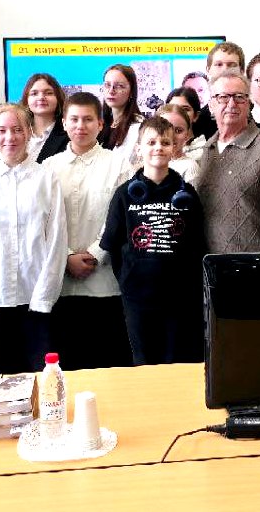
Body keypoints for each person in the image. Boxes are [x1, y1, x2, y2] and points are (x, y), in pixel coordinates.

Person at [0, 103, 68, 374]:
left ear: (29, 132)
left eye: (17, 130)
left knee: (40, 381)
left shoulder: (46, 178)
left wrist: (44, 297)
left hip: (35, 301)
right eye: (2, 130)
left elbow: (57, 240)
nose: (10, 137)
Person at [101, 115, 206, 364]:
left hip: (178, 297)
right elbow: (113, 244)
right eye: (151, 142)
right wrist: (128, 277)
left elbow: (196, 245)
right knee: (143, 361)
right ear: (139, 148)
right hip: (137, 296)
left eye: (165, 142)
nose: (158, 147)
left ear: (174, 147)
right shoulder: (124, 194)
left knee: (176, 360)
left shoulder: (187, 193)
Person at [43, 93, 132, 369]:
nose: (80, 126)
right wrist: (67, 257)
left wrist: (95, 254)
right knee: (68, 367)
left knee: (107, 365)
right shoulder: (49, 167)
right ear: (64, 123)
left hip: (105, 284)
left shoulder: (119, 164)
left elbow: (121, 218)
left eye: (88, 119)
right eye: (74, 119)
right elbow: (43, 222)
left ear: (100, 124)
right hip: (61, 285)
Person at [195, 69, 260, 253]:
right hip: (210, 266)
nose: (231, 104)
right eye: (223, 97)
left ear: (249, 103)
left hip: (253, 267)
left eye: (239, 97)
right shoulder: (206, 150)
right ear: (211, 105)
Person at [193, 41, 246, 140]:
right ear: (208, 70)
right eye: (219, 64)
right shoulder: (196, 122)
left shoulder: (257, 115)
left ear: (242, 71)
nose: (225, 70)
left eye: (232, 65)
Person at [99, 64, 143, 164]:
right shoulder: (101, 124)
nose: (111, 91)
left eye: (119, 86)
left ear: (131, 92)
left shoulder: (139, 127)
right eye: (107, 85)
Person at [22, 73, 69, 163]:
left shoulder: (70, 133)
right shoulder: (17, 132)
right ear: (26, 100)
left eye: (48, 93)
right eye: (34, 93)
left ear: (58, 98)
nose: (41, 97)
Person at [155, 103, 202, 184]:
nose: (171, 135)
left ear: (187, 135)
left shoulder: (189, 167)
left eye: (178, 131)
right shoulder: (149, 161)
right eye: (165, 128)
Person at [165, 86, 206, 159]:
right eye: (172, 108)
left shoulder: (204, 151)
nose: (178, 113)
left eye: (185, 109)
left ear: (196, 115)